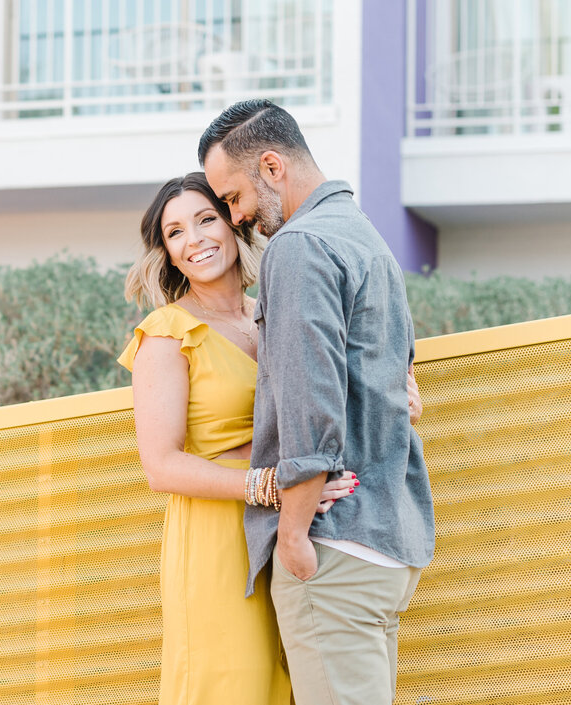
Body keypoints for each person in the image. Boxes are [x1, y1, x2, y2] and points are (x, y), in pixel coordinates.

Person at [118, 173, 422, 705]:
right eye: (175, 233)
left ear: (234, 222)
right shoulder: (167, 333)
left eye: (206, 219)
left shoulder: (273, 313)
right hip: (217, 539)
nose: (195, 240)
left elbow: (330, 385)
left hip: (291, 530)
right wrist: (275, 486)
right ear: (165, 253)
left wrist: (399, 392)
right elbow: (160, 466)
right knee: (230, 687)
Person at [200, 100, 436, 705]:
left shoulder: (300, 246)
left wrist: (294, 532)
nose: (236, 217)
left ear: (272, 167)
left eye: (231, 198)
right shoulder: (363, 235)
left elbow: (311, 398)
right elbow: (398, 375)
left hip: (332, 540)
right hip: (389, 536)